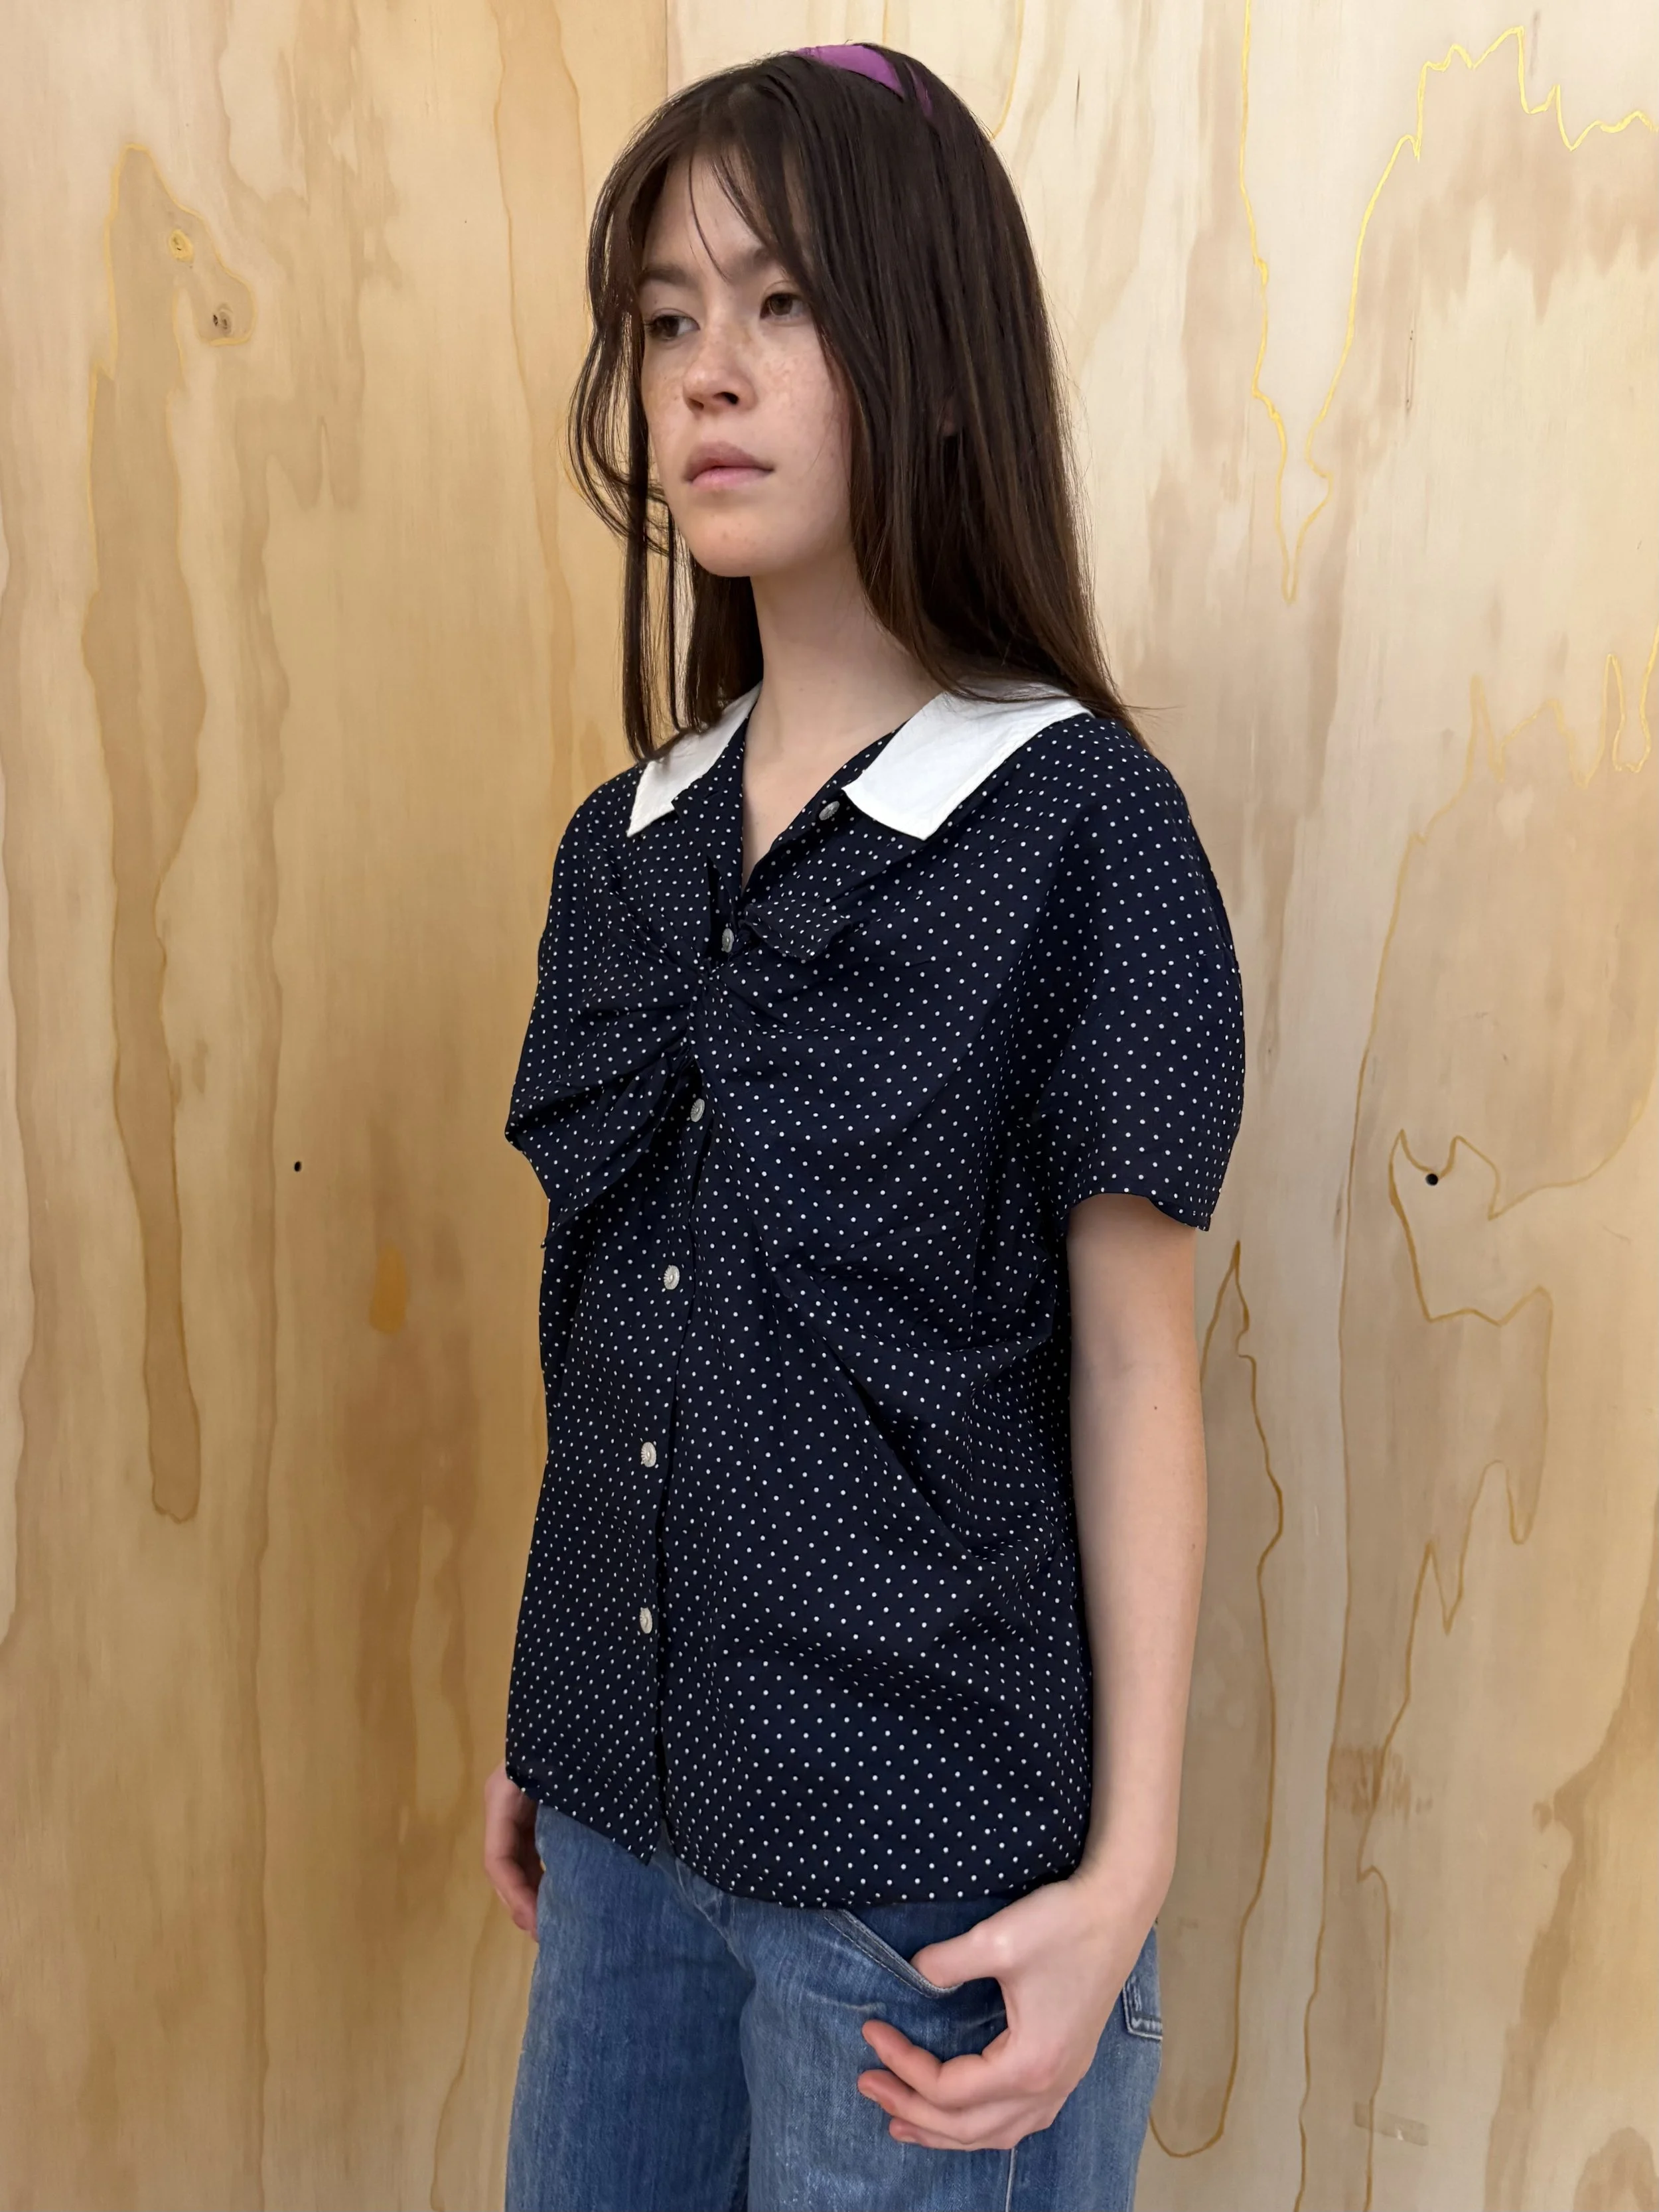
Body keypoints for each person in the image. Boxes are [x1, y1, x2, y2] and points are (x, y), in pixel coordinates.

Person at [482, 42, 1244, 2212]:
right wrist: (556, 1696)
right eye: (666, 318)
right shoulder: (620, 846)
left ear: (931, 351)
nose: (707, 371)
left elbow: (1135, 1369)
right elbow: (621, 1315)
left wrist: (1126, 1870)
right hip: (617, 1817)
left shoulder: (1078, 826)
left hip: (918, 1867)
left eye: (782, 303)